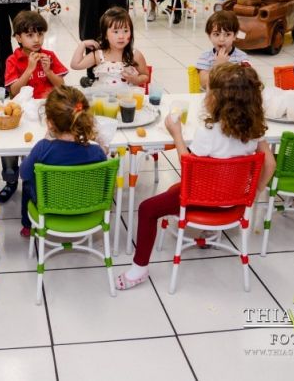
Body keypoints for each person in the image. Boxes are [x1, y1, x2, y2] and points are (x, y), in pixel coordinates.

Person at [116, 63, 276, 290]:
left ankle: (139, 268)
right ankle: (204, 231)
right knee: (175, 190)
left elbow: (189, 168)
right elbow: (270, 163)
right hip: (234, 202)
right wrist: (255, 192)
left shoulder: (210, 132)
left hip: (201, 199)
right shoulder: (256, 130)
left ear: (216, 99)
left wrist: (177, 135)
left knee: (147, 209)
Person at [18, 85, 107, 237]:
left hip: (50, 205)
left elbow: (24, 173)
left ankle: (27, 225)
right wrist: (102, 147)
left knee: (28, 182)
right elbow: (102, 177)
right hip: (86, 205)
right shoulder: (96, 151)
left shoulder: (42, 148)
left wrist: (44, 142)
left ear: (50, 123)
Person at [0, 10, 67, 203]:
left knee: (46, 145)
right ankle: (11, 180)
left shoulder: (49, 55)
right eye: (30, 35)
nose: (37, 39)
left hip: (48, 110)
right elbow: (13, 91)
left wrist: (48, 71)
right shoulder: (13, 60)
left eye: (40, 34)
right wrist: (29, 69)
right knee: (9, 144)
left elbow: (62, 86)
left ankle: (45, 176)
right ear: (18, 38)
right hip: (22, 111)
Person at [70, 7, 149, 87]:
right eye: (116, 32)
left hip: (127, 98)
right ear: (105, 35)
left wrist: (136, 80)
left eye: (126, 31)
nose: (121, 36)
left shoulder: (135, 55)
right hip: (104, 98)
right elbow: (75, 65)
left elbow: (145, 76)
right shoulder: (99, 55)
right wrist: (82, 45)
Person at [196, 10, 250, 90]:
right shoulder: (205, 57)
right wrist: (218, 66)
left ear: (235, 36)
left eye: (227, 34)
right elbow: (203, 84)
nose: (221, 39)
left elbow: (248, 80)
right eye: (216, 34)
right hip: (211, 98)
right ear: (209, 36)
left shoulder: (242, 57)